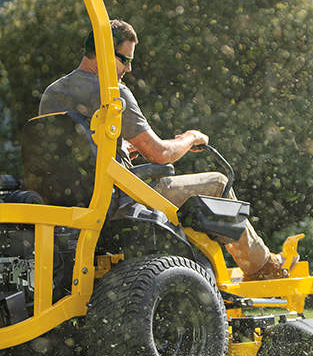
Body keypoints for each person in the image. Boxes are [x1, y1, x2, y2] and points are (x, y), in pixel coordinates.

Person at [39, 20, 289, 280]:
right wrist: (190, 138)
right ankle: (261, 267)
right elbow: (160, 154)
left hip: (71, 204)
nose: (129, 68)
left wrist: (120, 149)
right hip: (119, 201)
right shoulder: (113, 94)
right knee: (218, 182)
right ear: (102, 51)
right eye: (124, 60)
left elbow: (72, 148)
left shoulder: (52, 93)